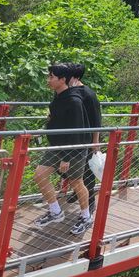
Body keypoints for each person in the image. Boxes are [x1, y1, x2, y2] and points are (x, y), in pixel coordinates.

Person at [33, 63, 93, 236]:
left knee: (76, 182)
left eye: (51, 77)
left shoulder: (74, 101)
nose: (48, 80)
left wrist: (67, 157)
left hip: (73, 148)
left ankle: (86, 216)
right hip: (57, 146)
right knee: (39, 175)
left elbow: (76, 130)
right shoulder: (58, 96)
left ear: (62, 79)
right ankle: (55, 212)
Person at [65, 63, 100, 214]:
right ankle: (78, 190)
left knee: (86, 171)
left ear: (76, 77)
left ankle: (90, 201)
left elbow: (96, 120)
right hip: (67, 139)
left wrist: (95, 141)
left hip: (85, 139)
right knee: (63, 168)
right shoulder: (65, 91)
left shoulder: (88, 94)